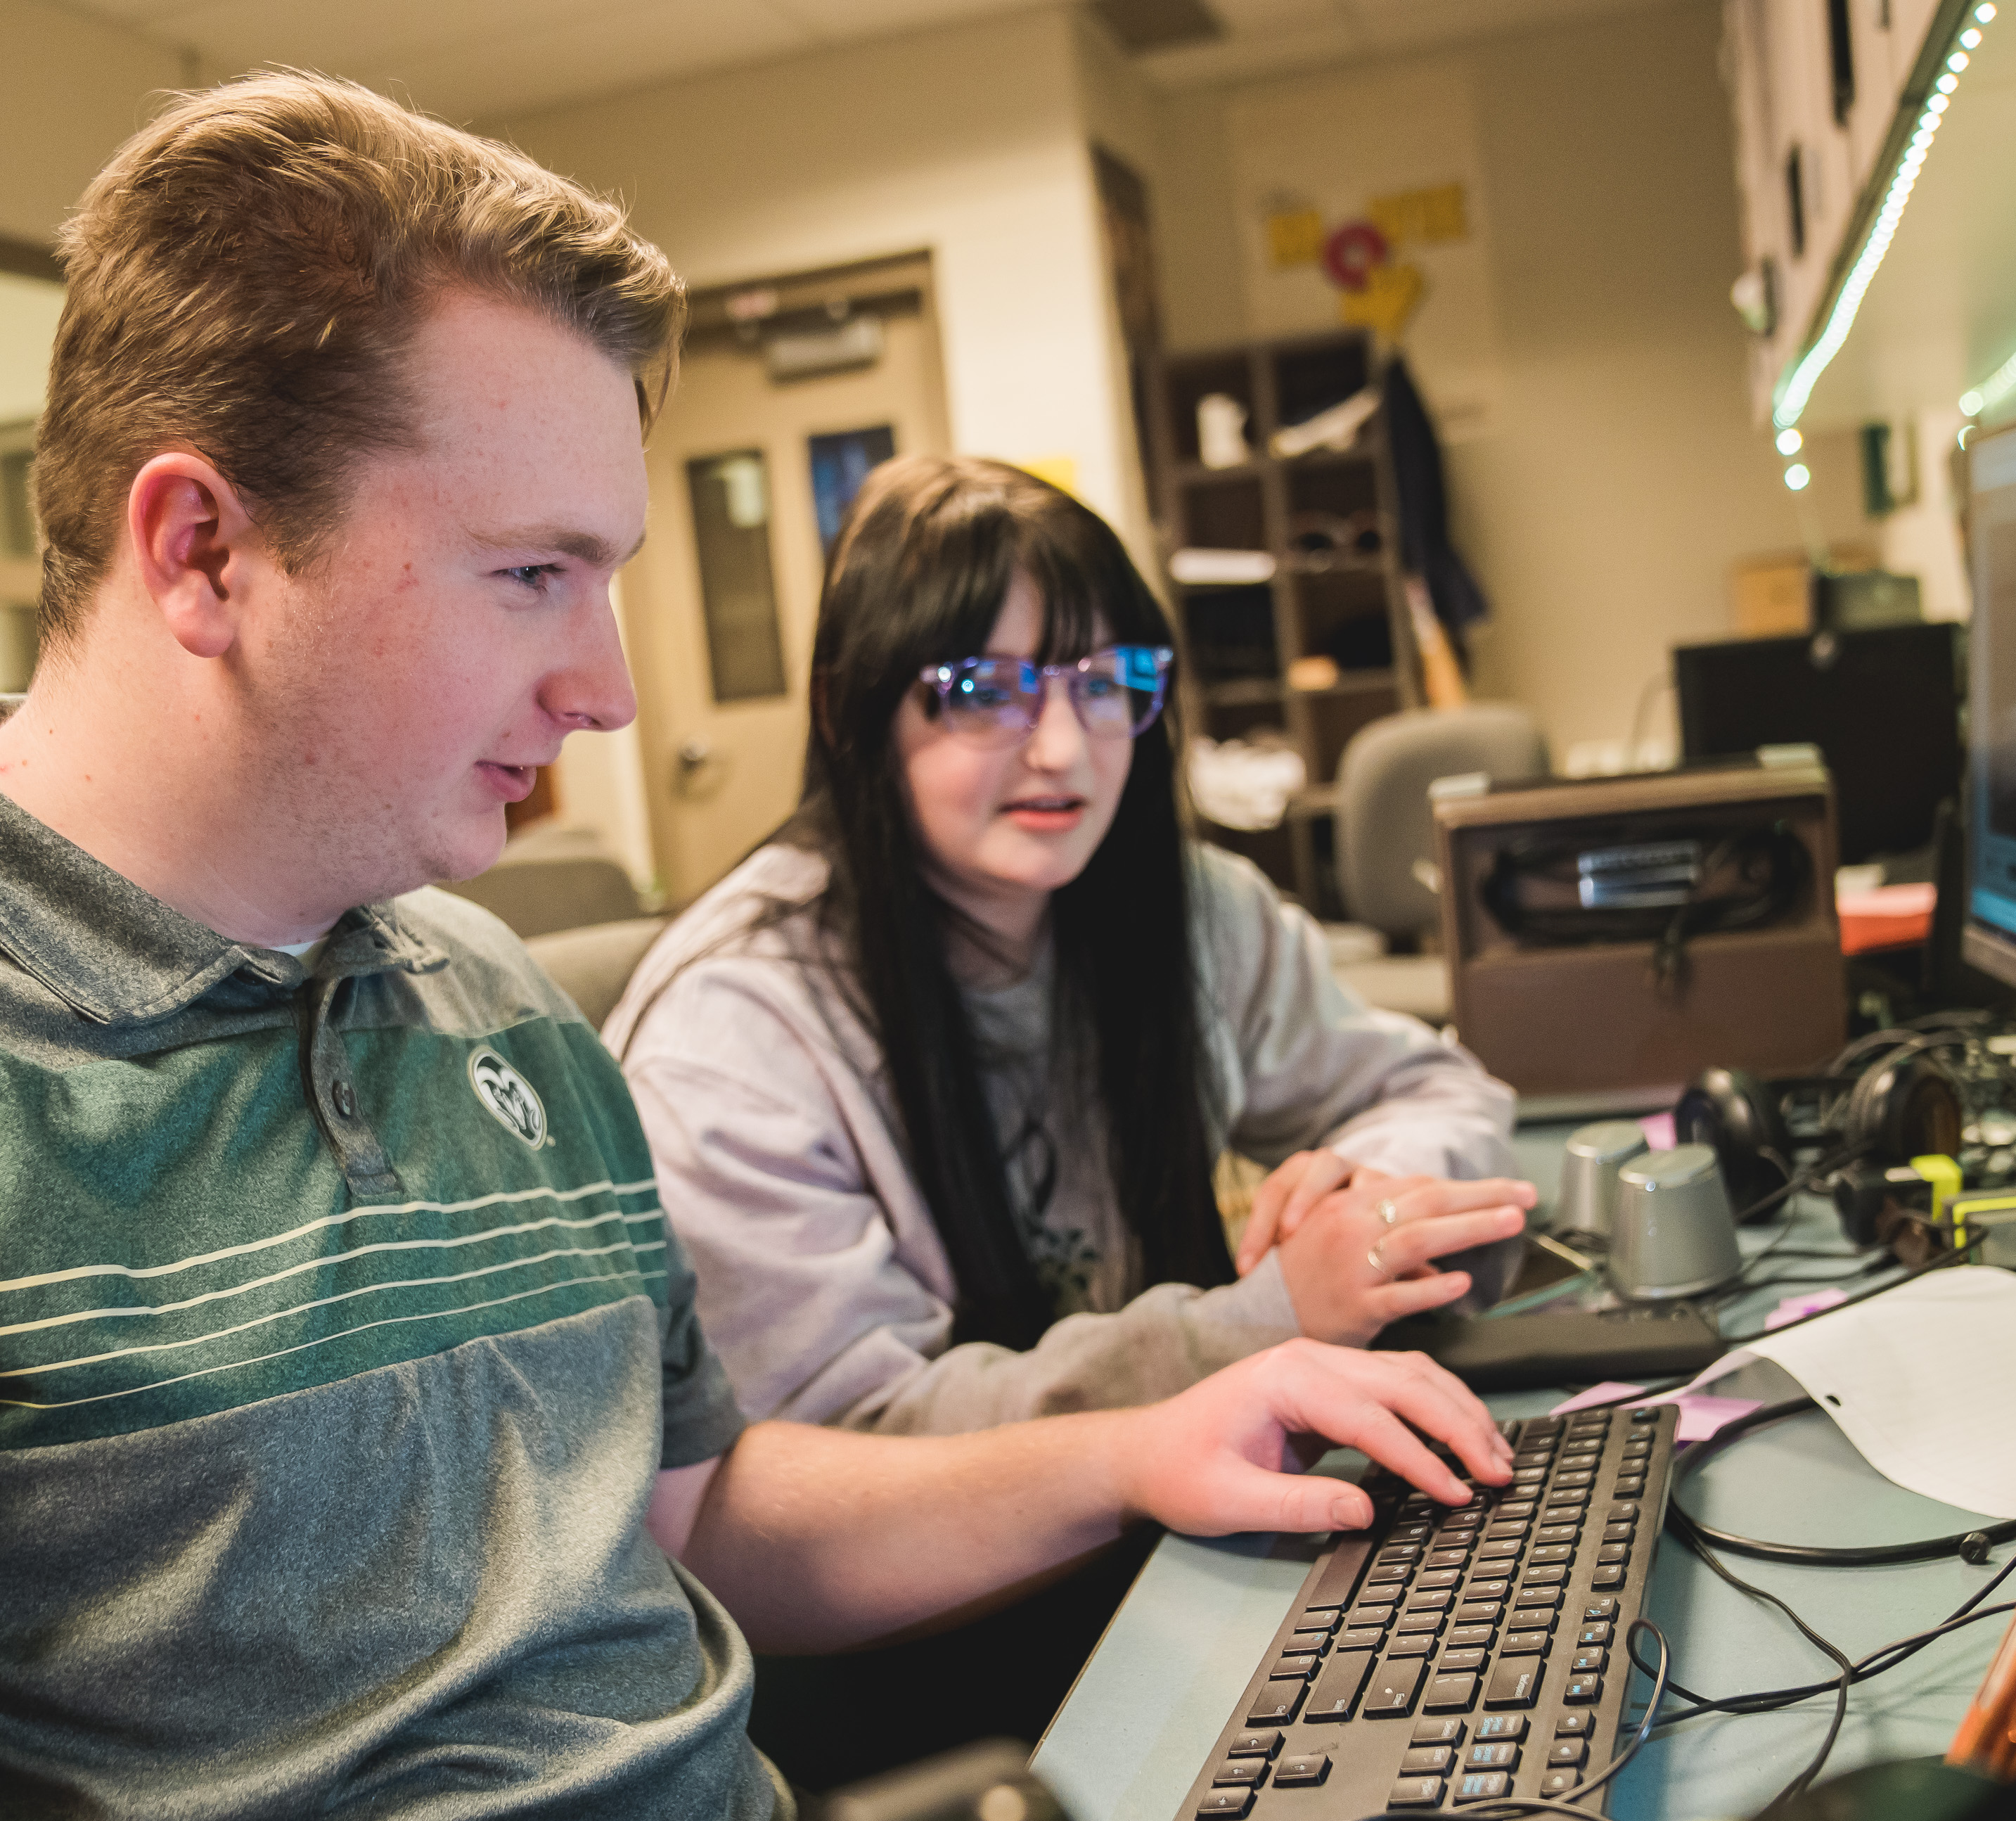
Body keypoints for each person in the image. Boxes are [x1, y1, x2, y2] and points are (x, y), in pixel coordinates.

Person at [0, 76, 1514, 1821]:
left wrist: (1145, 1443)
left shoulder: (478, 994)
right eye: (533, 576)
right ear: (204, 551)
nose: (604, 681)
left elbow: (695, 1507)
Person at [607, 455, 1534, 1442]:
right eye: (983, 690)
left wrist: (1376, 1194)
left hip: (1186, 1524)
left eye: (1104, 683)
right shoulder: (738, 1032)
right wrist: (1262, 1322)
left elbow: (1438, 1093)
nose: (1061, 748)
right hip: (969, 1582)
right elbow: (853, 1448)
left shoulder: (1190, 908)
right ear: (848, 712)